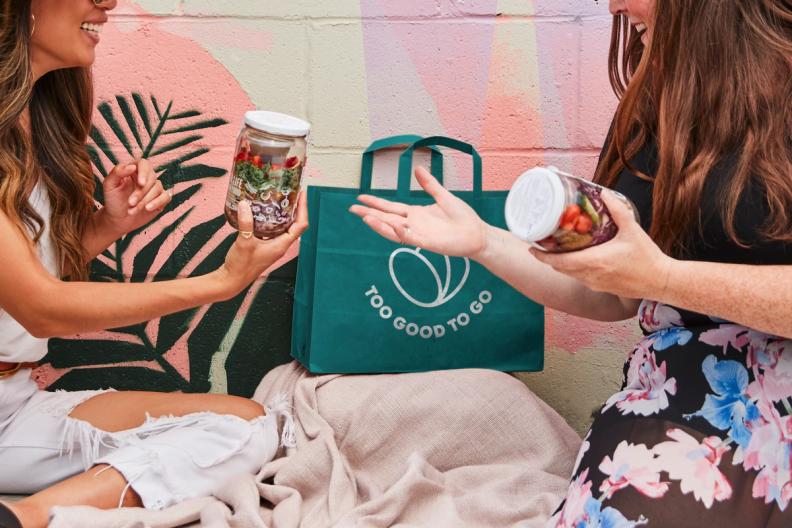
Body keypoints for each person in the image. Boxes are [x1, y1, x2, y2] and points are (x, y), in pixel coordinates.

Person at [351, 0, 792, 525]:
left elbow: (648, 278)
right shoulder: (656, 105)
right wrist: (483, 242)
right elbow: (612, 294)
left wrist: (663, 277)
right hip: (686, 397)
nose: (615, 5)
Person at [0, 1, 307, 527]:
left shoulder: (32, 123)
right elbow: (42, 309)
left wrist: (105, 228)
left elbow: (21, 284)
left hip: (15, 406)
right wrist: (221, 282)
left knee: (248, 426)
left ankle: (22, 514)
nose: (109, 2)